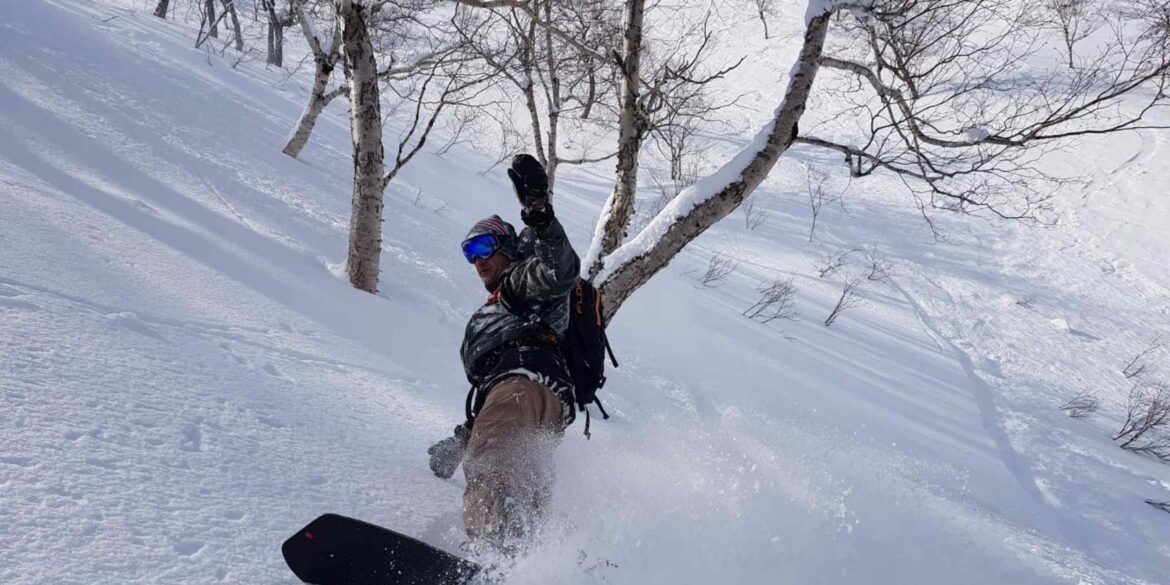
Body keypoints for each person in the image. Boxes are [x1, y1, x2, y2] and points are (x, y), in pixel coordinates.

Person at [428, 154, 580, 551]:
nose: (477, 261)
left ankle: (490, 559)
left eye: (483, 246)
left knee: (494, 469)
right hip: (537, 401)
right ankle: (532, 567)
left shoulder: (520, 283)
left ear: (507, 248)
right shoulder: (503, 302)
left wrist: (538, 214)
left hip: (524, 388)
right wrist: (464, 439)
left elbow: (560, 269)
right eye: (469, 253)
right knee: (525, 490)